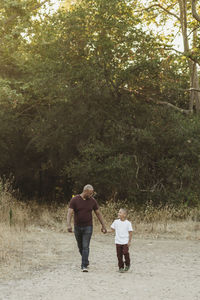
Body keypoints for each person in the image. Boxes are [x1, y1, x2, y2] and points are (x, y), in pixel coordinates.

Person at [67, 184, 107, 272]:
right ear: (85, 191)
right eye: (90, 193)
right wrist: (68, 224)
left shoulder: (92, 201)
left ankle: (84, 265)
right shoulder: (75, 200)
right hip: (77, 227)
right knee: (80, 246)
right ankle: (86, 260)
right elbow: (70, 212)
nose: (91, 195)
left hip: (88, 227)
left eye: (92, 193)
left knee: (85, 246)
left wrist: (103, 225)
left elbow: (98, 213)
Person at [110, 208, 133, 273]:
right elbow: (112, 230)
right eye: (118, 212)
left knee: (125, 253)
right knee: (119, 255)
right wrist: (105, 231)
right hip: (118, 241)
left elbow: (130, 233)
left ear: (124, 215)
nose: (118, 213)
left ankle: (127, 264)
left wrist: (129, 241)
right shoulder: (116, 222)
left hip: (125, 241)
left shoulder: (128, 223)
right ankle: (121, 267)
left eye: (120, 212)